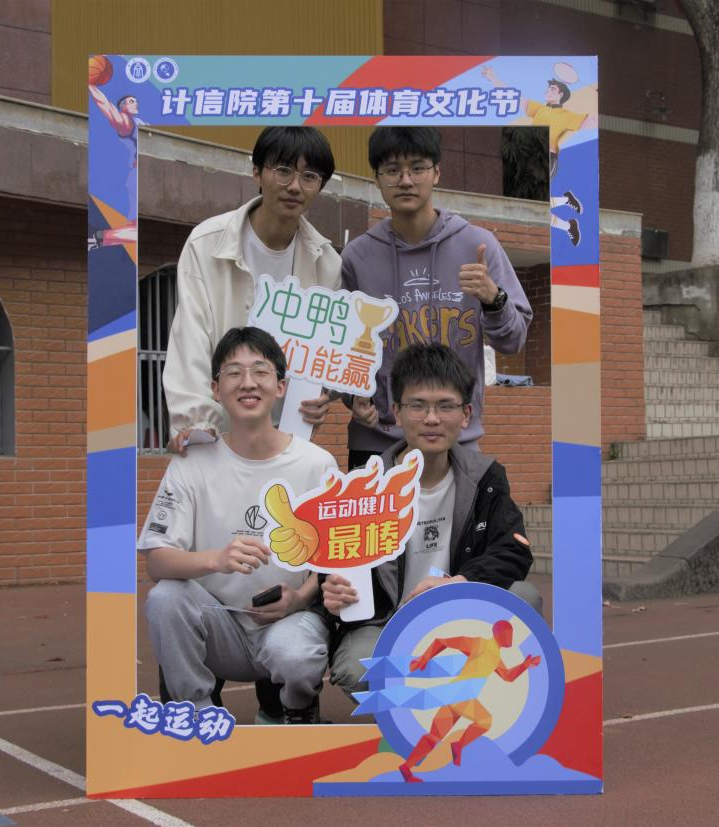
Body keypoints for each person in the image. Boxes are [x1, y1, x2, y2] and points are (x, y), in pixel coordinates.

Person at [140, 327, 336, 724]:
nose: (247, 382)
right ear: (216, 389)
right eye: (233, 372)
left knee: (296, 656)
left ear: (280, 386)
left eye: (260, 371)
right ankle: (197, 714)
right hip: (218, 624)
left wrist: (299, 599)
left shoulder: (317, 464)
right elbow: (156, 562)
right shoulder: (192, 460)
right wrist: (217, 559)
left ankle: (295, 709)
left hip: (288, 620)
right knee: (165, 598)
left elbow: (336, 561)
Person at [322, 344, 541, 699]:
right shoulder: (365, 485)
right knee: (356, 668)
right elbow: (337, 568)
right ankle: (420, 711)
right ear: (396, 412)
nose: (432, 419)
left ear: (466, 414)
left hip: (461, 614)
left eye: (445, 406)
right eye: (418, 405)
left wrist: (459, 584)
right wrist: (334, 590)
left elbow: (513, 551)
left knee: (523, 597)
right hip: (390, 622)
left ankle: (462, 702)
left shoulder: (485, 477)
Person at [341, 127, 531, 469]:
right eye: (392, 170)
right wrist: (350, 396)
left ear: (437, 172)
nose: (405, 180)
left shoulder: (477, 245)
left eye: (417, 168)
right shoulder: (357, 257)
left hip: (455, 440)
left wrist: (494, 298)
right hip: (377, 444)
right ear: (377, 178)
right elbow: (340, 347)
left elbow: (514, 340)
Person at [163, 127, 341, 455]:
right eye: (283, 170)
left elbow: (325, 355)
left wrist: (322, 395)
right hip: (213, 436)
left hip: (285, 440)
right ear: (257, 171)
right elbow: (190, 338)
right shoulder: (207, 243)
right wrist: (197, 423)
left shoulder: (327, 263)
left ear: (321, 185)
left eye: (309, 176)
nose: (295, 186)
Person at [398, 619, 541, 782]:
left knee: (433, 738)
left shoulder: (495, 655)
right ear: (499, 634)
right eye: (509, 633)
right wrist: (423, 658)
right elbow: (442, 641)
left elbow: (507, 676)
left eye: (511, 633)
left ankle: (406, 768)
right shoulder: (480, 644)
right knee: (485, 721)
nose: (511, 637)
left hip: (454, 695)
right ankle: (458, 745)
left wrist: (524, 665)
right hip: (461, 694)